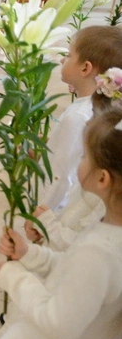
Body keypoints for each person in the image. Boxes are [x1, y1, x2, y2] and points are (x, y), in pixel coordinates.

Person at [0, 105, 122, 339]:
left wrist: (15, 277)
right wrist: (31, 255)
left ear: (103, 179)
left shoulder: (100, 252)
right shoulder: (109, 229)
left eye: (85, 156)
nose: (80, 160)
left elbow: (58, 322)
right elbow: (74, 269)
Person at [42, 26, 122, 212]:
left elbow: (59, 176)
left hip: (52, 211)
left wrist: (40, 216)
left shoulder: (77, 116)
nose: (63, 59)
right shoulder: (98, 108)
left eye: (69, 55)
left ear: (86, 68)